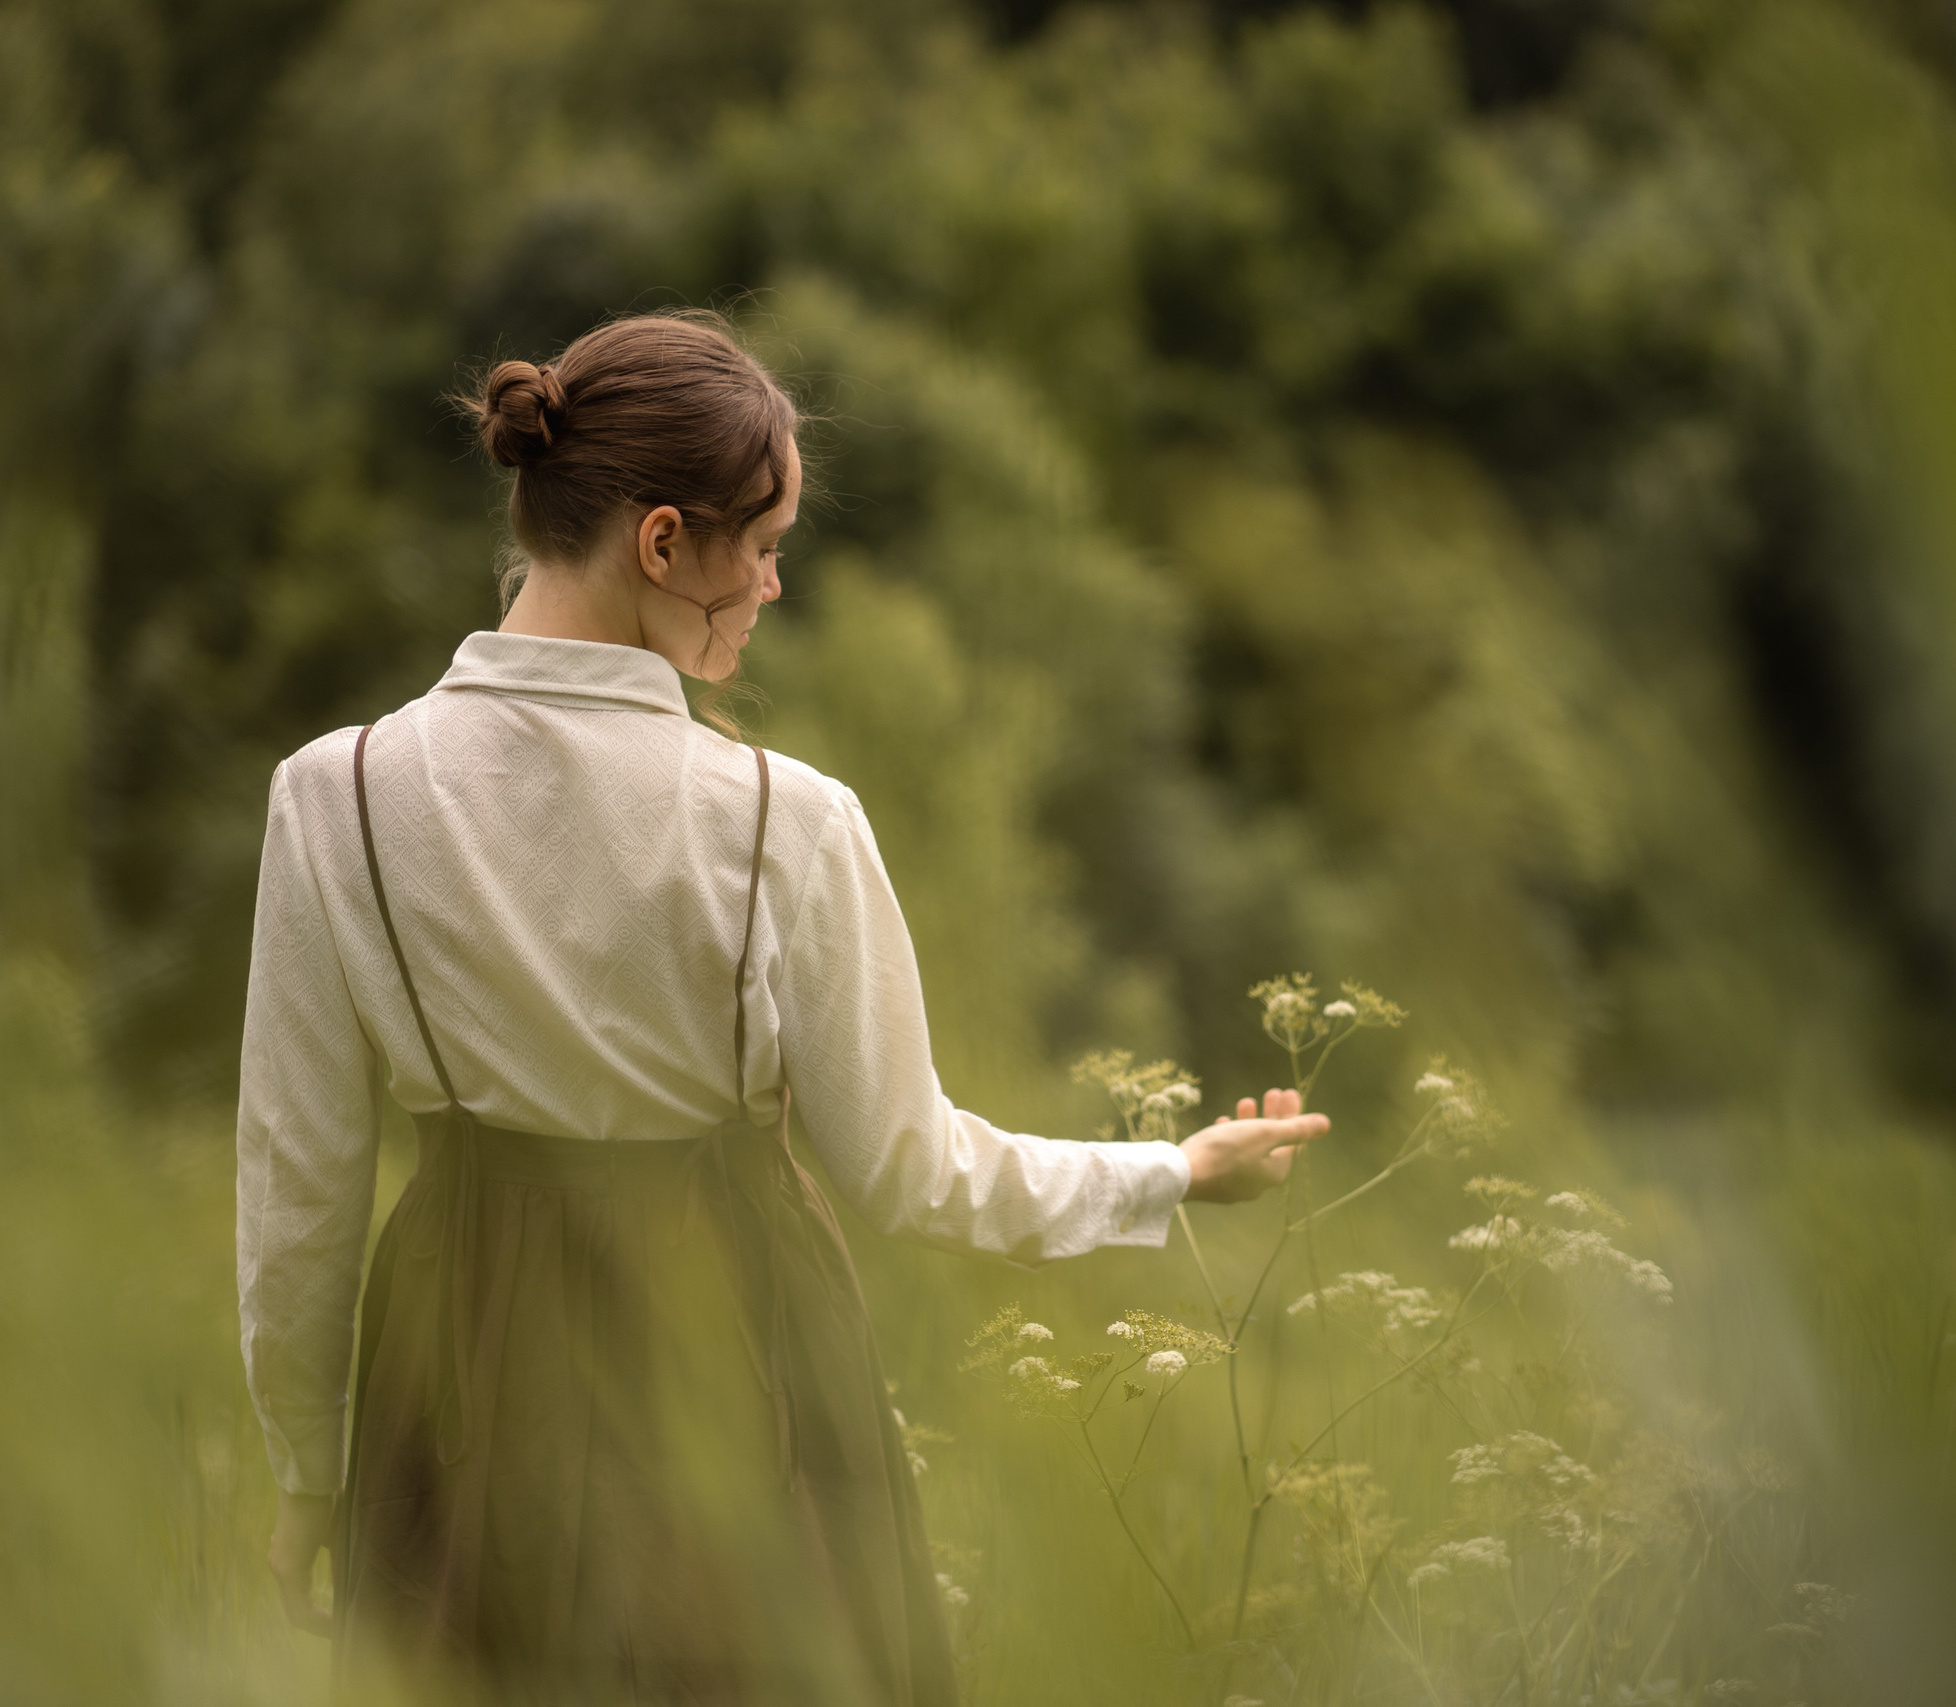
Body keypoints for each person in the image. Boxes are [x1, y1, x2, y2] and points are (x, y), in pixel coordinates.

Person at [235, 309, 1327, 1704]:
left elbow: (299, 1191)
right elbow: (911, 1169)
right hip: (739, 1367)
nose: (771, 585)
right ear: (662, 542)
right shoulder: (781, 822)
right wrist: (1173, 1173)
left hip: (452, 1381)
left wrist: (307, 1473)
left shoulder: (334, 794)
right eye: (760, 546)